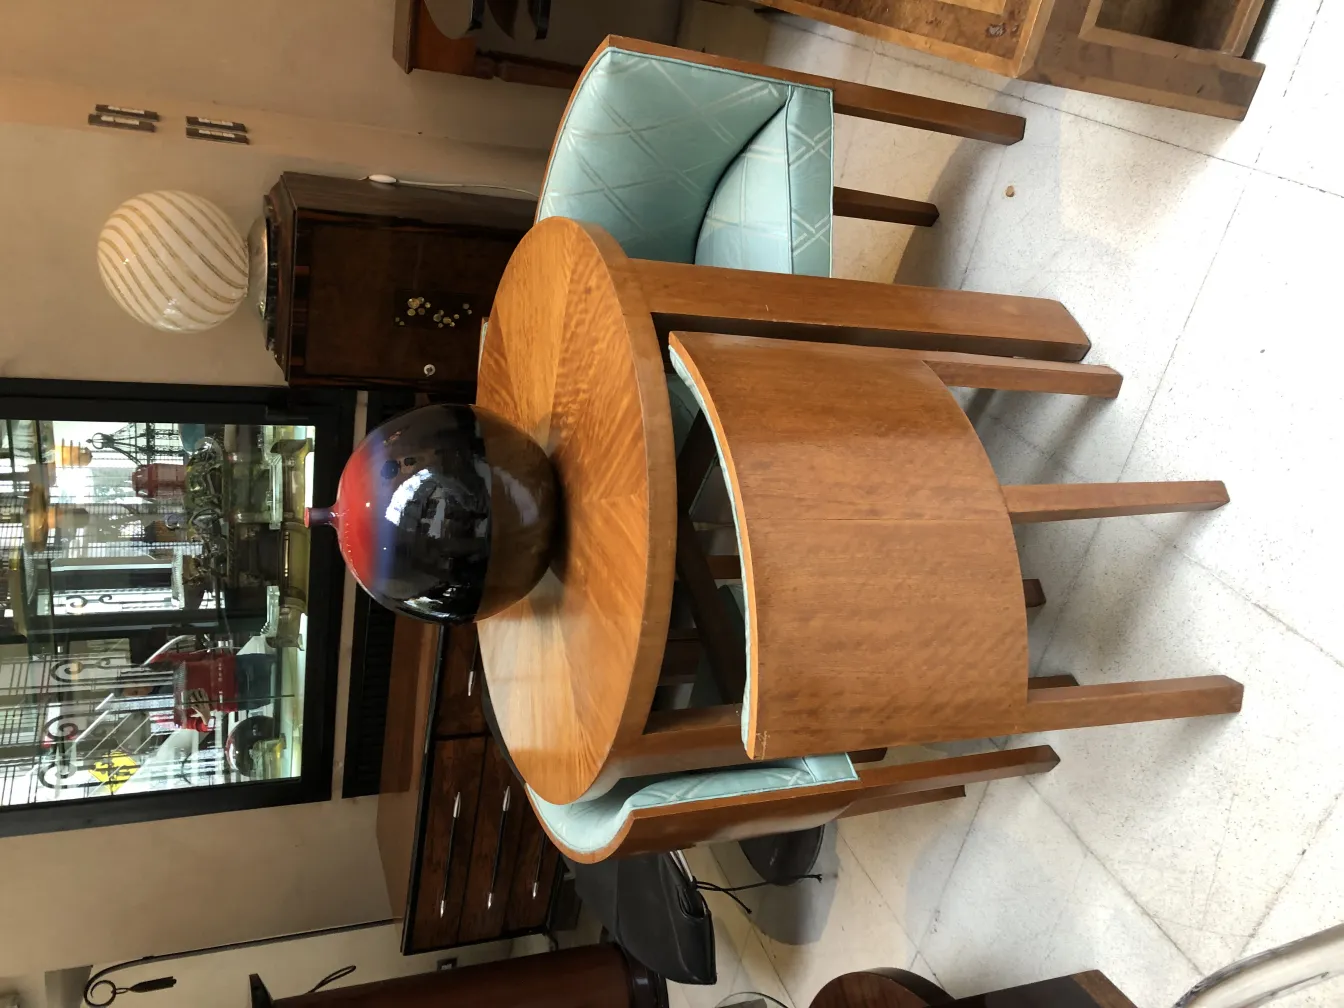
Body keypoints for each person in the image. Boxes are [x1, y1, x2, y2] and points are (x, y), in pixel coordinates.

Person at [123, 635, 276, 733]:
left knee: (286, 665)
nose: (141, 688)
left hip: (237, 665)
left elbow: (197, 656)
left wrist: (225, 658)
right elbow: (202, 727)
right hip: (238, 696)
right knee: (283, 687)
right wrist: (205, 716)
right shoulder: (160, 715)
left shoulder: (159, 662)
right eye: (136, 693)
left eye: (136, 683)